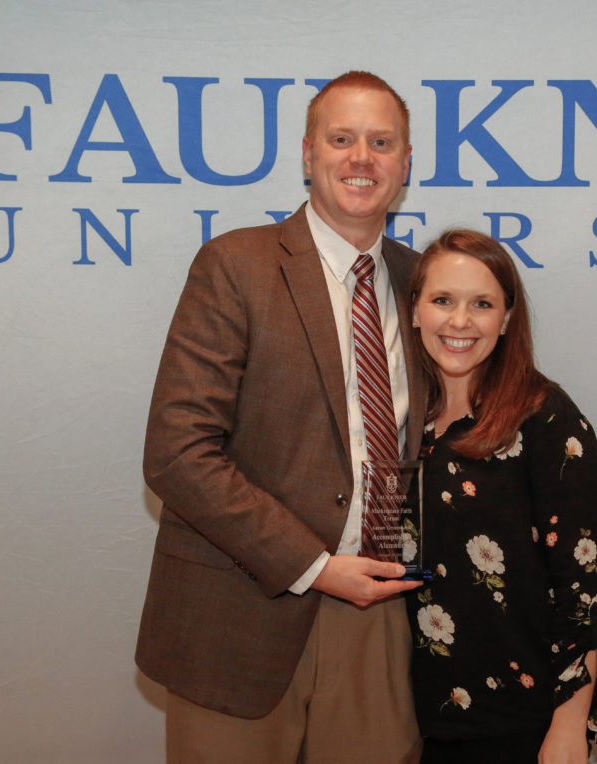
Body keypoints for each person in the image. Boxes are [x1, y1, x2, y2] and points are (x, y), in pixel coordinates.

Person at [137, 71, 428, 763]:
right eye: (342, 138)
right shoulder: (237, 265)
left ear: (406, 164)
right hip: (241, 615)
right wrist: (315, 565)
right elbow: (177, 453)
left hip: (380, 619)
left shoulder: (425, 284)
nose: (362, 157)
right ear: (306, 153)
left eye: (381, 142)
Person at [405, 229, 597, 763]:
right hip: (408, 717)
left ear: (506, 318)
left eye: (482, 304)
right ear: (413, 312)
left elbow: (585, 590)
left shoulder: (546, 418)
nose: (459, 321)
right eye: (442, 301)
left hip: (520, 722)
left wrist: (569, 726)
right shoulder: (401, 419)